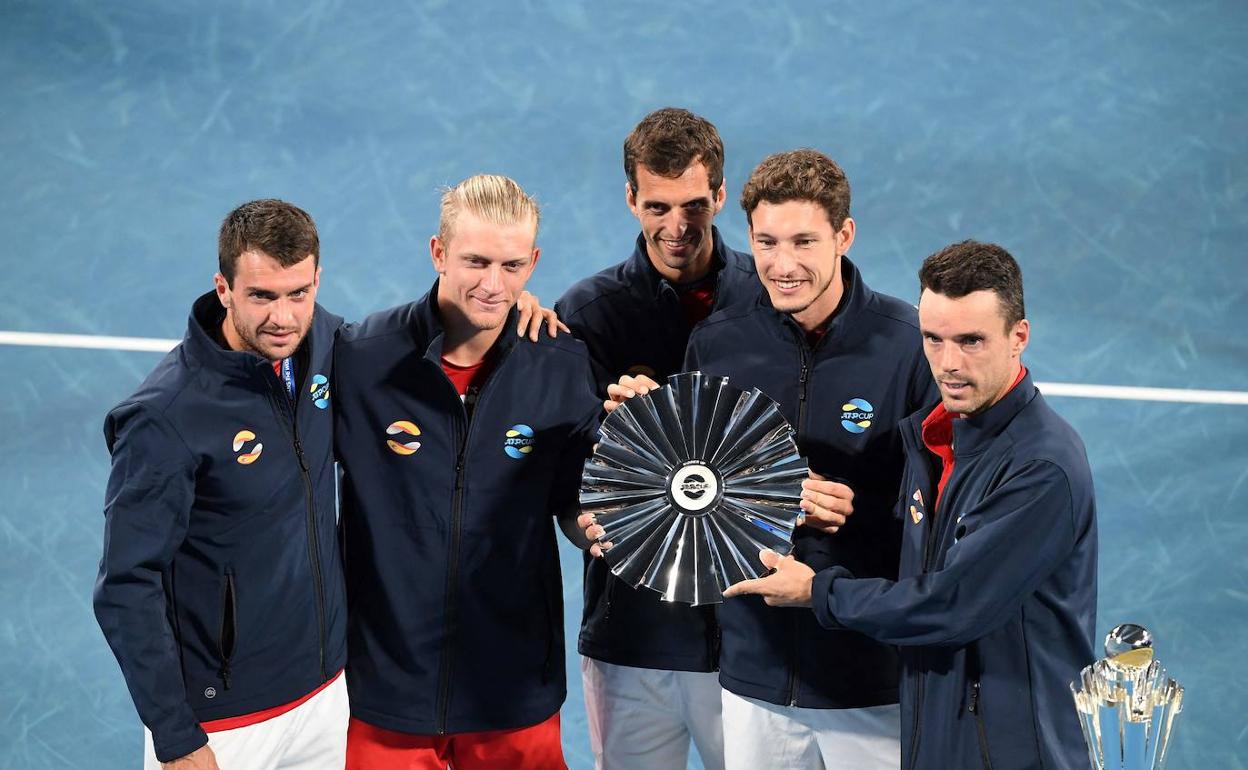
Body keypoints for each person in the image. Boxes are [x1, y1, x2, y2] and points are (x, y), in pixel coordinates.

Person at [588, 148, 937, 769]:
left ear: (844, 236)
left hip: (869, 680)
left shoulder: (909, 346)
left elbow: (937, 513)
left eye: (805, 241)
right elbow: (694, 494)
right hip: (753, 679)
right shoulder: (719, 342)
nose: (784, 265)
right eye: (768, 242)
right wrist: (646, 431)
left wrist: (864, 510)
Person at [724, 240, 1098, 769]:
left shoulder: (1040, 468)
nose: (949, 364)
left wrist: (818, 591)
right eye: (933, 339)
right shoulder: (935, 442)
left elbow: (949, 606)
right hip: (941, 731)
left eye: (971, 341)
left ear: (1019, 338)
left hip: (1011, 751)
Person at [333, 174, 602, 770]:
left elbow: (577, 502)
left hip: (513, 684)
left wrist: (602, 528)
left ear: (533, 261)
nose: (493, 284)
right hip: (385, 686)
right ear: (437, 252)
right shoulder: (360, 357)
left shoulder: (559, 365)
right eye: (475, 261)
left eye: (511, 266)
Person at [94, 199, 349, 770]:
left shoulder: (326, 343)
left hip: (326, 691)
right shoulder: (166, 417)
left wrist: (509, 308)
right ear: (224, 287)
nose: (283, 317)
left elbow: (418, 345)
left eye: (298, 293)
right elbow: (126, 585)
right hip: (225, 723)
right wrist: (176, 736)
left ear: (316, 279)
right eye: (261, 296)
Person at [555, 107, 759, 770]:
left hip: (750, 637)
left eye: (695, 205)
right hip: (632, 637)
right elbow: (565, 475)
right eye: (657, 206)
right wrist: (590, 523)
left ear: (721, 195)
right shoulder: (587, 316)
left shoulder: (766, 302)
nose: (678, 228)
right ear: (630, 197)